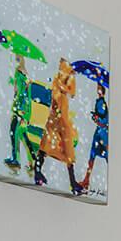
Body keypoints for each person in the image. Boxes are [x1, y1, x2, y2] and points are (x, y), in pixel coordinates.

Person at [5, 56, 45, 181]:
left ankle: (16, 160)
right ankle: (32, 161)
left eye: (18, 58)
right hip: (21, 111)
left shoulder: (21, 73)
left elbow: (21, 94)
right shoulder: (23, 74)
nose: (16, 60)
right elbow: (22, 93)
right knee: (23, 137)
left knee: (15, 134)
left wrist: (21, 113)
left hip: (20, 111)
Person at [43, 58, 77, 190]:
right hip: (56, 117)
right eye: (60, 65)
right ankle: (38, 171)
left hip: (62, 118)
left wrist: (63, 84)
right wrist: (60, 84)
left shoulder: (68, 78)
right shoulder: (57, 77)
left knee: (68, 149)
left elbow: (72, 93)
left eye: (62, 65)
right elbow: (56, 94)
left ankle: (72, 182)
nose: (60, 67)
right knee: (45, 144)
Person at [76, 83, 108, 196]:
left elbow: (104, 120)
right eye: (97, 89)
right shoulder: (98, 101)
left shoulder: (102, 103)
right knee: (92, 156)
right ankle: (86, 180)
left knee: (106, 156)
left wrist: (97, 118)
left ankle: (87, 180)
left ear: (103, 92)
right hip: (98, 133)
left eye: (100, 89)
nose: (98, 91)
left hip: (103, 134)